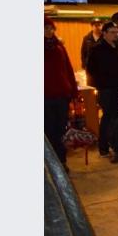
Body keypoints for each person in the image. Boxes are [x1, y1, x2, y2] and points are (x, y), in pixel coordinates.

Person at [86, 21, 118, 163]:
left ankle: (117, 147)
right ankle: (104, 147)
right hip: (107, 89)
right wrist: (102, 82)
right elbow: (91, 69)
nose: (115, 35)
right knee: (108, 118)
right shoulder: (97, 49)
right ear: (104, 33)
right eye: (112, 32)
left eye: (116, 32)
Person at [44, 17, 78, 171]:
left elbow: (68, 68)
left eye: (51, 28)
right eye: (46, 28)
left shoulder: (59, 46)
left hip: (62, 94)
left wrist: (73, 91)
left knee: (61, 129)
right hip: (45, 96)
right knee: (48, 129)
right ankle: (51, 163)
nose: (49, 31)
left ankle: (62, 160)